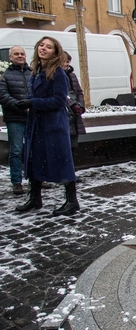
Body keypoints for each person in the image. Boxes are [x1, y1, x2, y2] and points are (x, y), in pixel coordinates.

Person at [15, 36, 79, 215]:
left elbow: (59, 101)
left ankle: (72, 200)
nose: (43, 49)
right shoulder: (36, 70)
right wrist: (27, 102)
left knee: (62, 160)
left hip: (53, 125)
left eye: (48, 47)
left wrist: (32, 103)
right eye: (42, 45)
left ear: (55, 52)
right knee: (34, 159)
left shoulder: (58, 73)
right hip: (37, 124)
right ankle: (35, 198)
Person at [0, 46, 31, 195]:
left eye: (22, 54)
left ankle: (36, 179)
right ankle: (17, 182)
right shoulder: (5, 76)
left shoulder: (33, 73)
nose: (20, 56)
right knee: (16, 151)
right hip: (15, 119)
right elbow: (3, 97)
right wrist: (22, 107)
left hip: (32, 118)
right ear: (10, 58)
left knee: (33, 150)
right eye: (16, 54)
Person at [62, 52, 86, 149]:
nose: (67, 64)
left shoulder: (72, 76)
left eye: (68, 61)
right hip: (66, 114)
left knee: (73, 146)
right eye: (64, 61)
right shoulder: (56, 76)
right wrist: (72, 105)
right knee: (64, 146)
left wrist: (80, 106)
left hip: (75, 115)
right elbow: (62, 95)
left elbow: (79, 92)